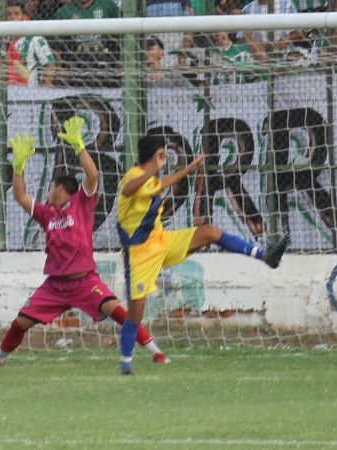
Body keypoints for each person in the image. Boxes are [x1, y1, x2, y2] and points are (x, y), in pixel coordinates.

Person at [0, 118, 168, 367]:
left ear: (60, 189)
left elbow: (92, 174)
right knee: (20, 323)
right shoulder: (47, 214)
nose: (47, 192)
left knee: (118, 312)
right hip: (55, 286)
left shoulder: (81, 203)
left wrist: (78, 145)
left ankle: (155, 351)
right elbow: (20, 196)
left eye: (50, 187)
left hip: (84, 281)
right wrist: (19, 166)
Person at [116, 135, 291, 375]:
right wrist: (154, 171)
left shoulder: (152, 178)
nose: (165, 158)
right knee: (135, 313)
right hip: (140, 255)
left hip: (162, 241)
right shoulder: (134, 175)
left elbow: (162, 183)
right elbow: (128, 190)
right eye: (163, 154)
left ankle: (264, 255)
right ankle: (125, 363)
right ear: (156, 155)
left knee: (209, 232)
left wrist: (188, 169)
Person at [0, 0, 56, 87]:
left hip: (29, 94)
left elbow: (50, 66)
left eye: (16, 13)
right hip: (5, 94)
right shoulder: (1, 44)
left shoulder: (35, 38)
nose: (13, 17)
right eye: (9, 14)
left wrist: (45, 87)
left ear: (24, 17)